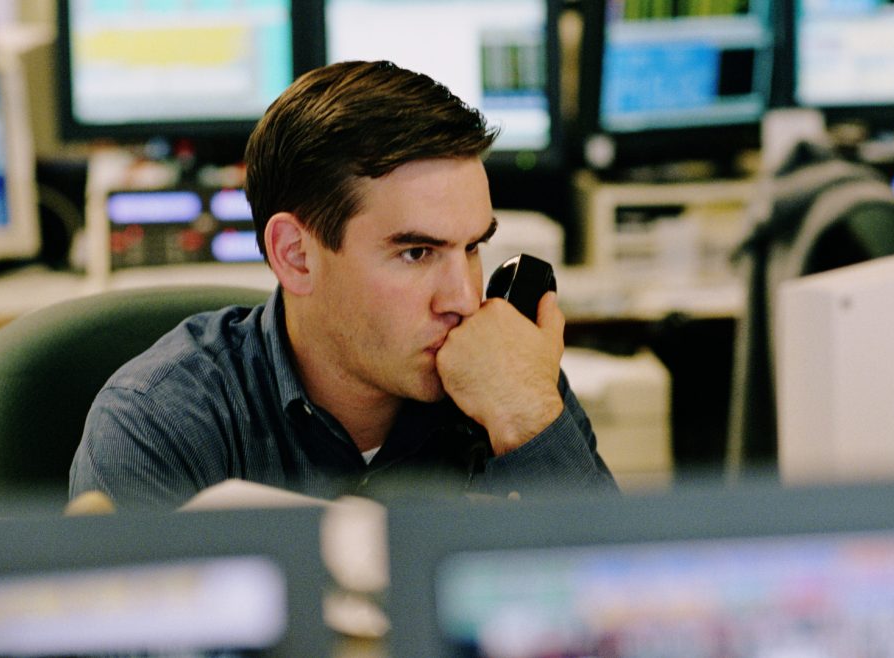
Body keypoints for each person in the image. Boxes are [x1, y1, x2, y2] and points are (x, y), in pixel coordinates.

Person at [69, 60, 618, 510]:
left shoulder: (510, 382)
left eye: (472, 247)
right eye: (416, 253)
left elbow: (616, 599)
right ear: (296, 255)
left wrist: (528, 418)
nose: (462, 300)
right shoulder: (160, 424)